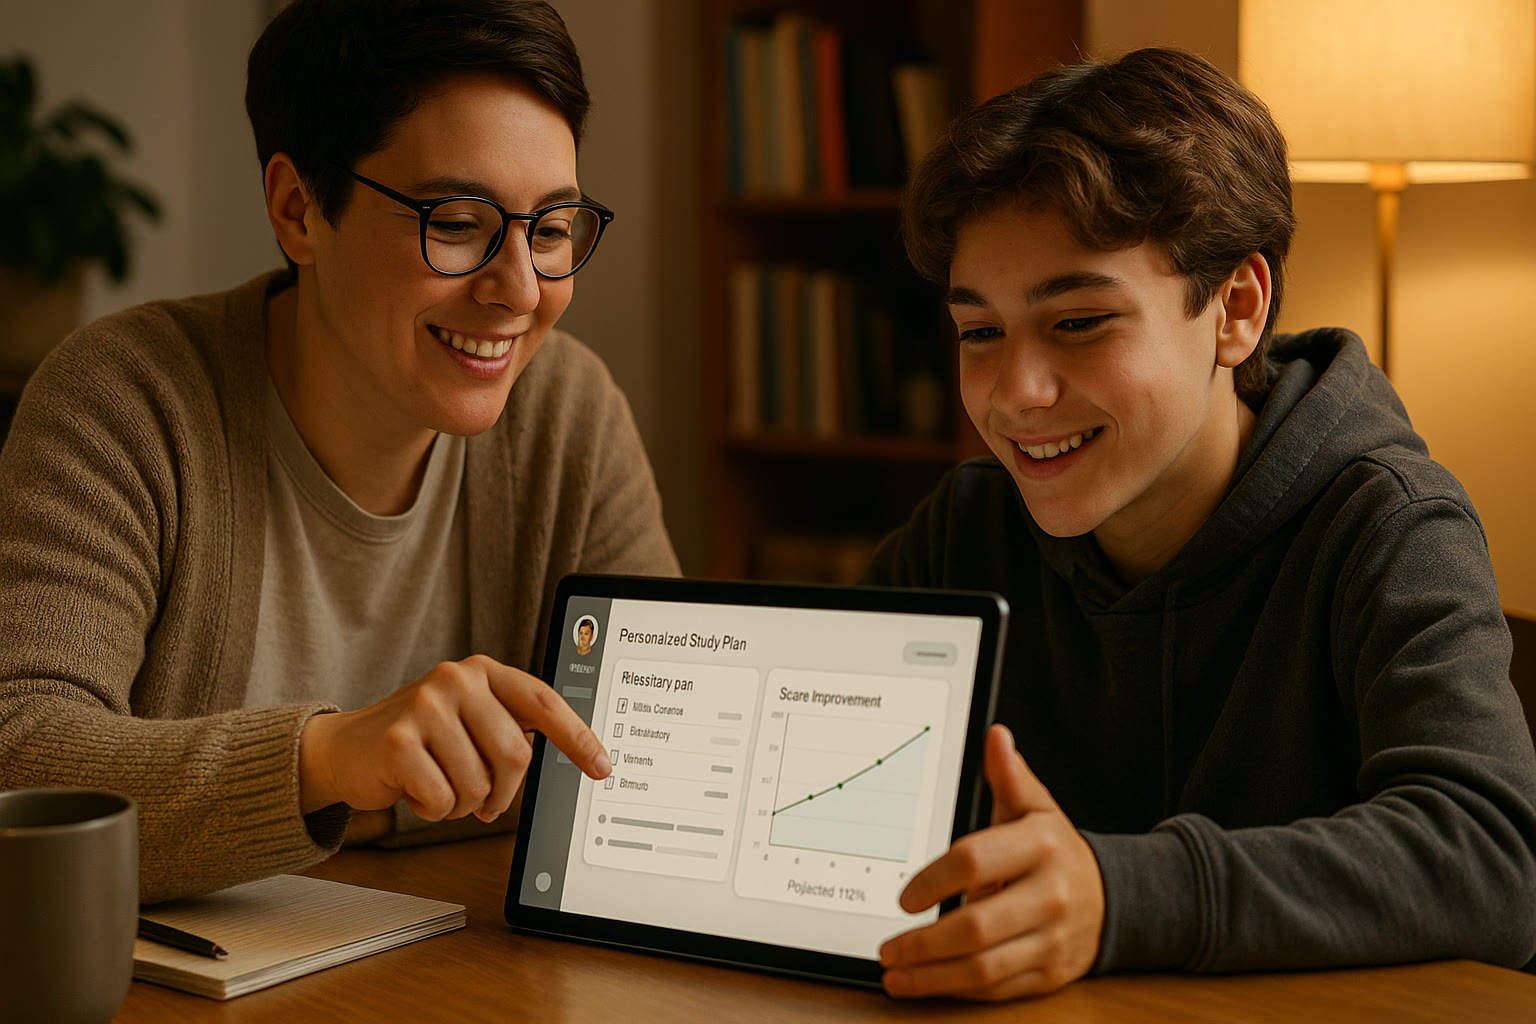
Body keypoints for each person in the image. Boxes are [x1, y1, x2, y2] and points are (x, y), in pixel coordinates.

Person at [866, 47, 1536, 1000]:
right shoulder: (966, 530)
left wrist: (1121, 894)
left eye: (1080, 321)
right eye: (980, 332)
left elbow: (1492, 859)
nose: (1016, 394)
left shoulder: (1387, 527)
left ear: (1237, 308)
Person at [0, 0, 678, 903]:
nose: (518, 290)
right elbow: (21, 757)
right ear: (298, 209)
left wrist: (368, 801)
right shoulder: (128, 400)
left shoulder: (568, 414)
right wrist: (326, 761)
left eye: (551, 230)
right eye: (458, 220)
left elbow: (655, 750)